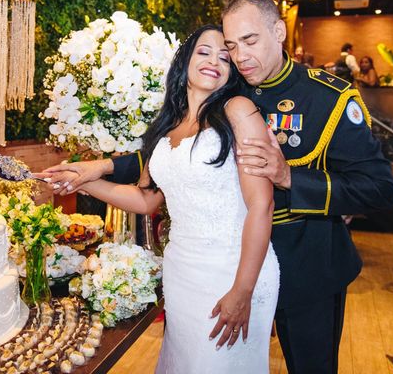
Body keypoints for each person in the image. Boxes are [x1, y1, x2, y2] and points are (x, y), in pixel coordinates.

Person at [43, 0, 393, 373]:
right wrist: (102, 168)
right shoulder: (228, 87)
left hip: (306, 261)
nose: (240, 56)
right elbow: (177, 157)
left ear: (278, 31)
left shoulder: (327, 97)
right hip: (223, 263)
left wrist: (290, 177)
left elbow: (380, 189)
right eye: (231, 46)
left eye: (250, 41)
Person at [43, 24, 280, 373]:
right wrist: (82, 182)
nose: (215, 60)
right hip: (182, 272)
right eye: (204, 51)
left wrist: (241, 292)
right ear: (184, 61)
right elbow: (145, 201)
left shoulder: (238, 111)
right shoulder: (164, 128)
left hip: (232, 271)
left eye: (225, 57)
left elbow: (263, 204)